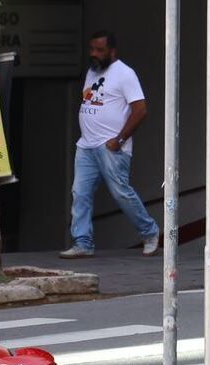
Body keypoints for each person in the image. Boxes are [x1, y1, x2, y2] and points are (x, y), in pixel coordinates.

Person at [59, 30, 160, 259]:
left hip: (111, 146)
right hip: (86, 145)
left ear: (112, 51)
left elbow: (140, 109)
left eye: (99, 50)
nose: (94, 54)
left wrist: (120, 139)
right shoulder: (92, 71)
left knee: (121, 193)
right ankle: (83, 242)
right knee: (80, 193)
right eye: (91, 49)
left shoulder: (125, 74)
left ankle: (149, 231)